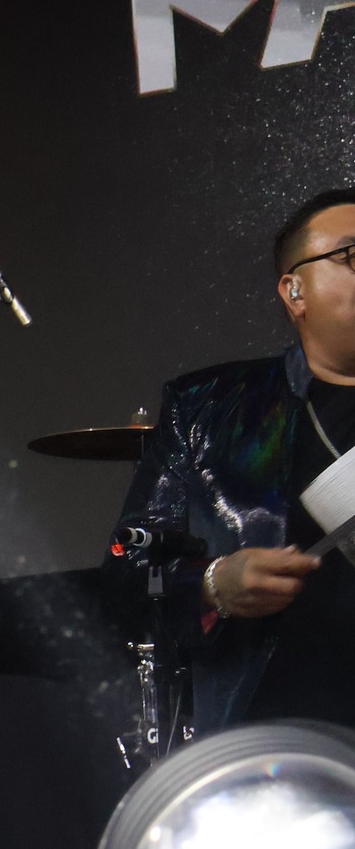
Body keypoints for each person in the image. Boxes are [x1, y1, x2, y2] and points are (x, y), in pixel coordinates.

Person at [109, 188, 355, 731]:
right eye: (351, 254)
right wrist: (215, 583)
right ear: (295, 291)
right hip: (275, 749)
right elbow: (127, 577)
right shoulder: (209, 409)